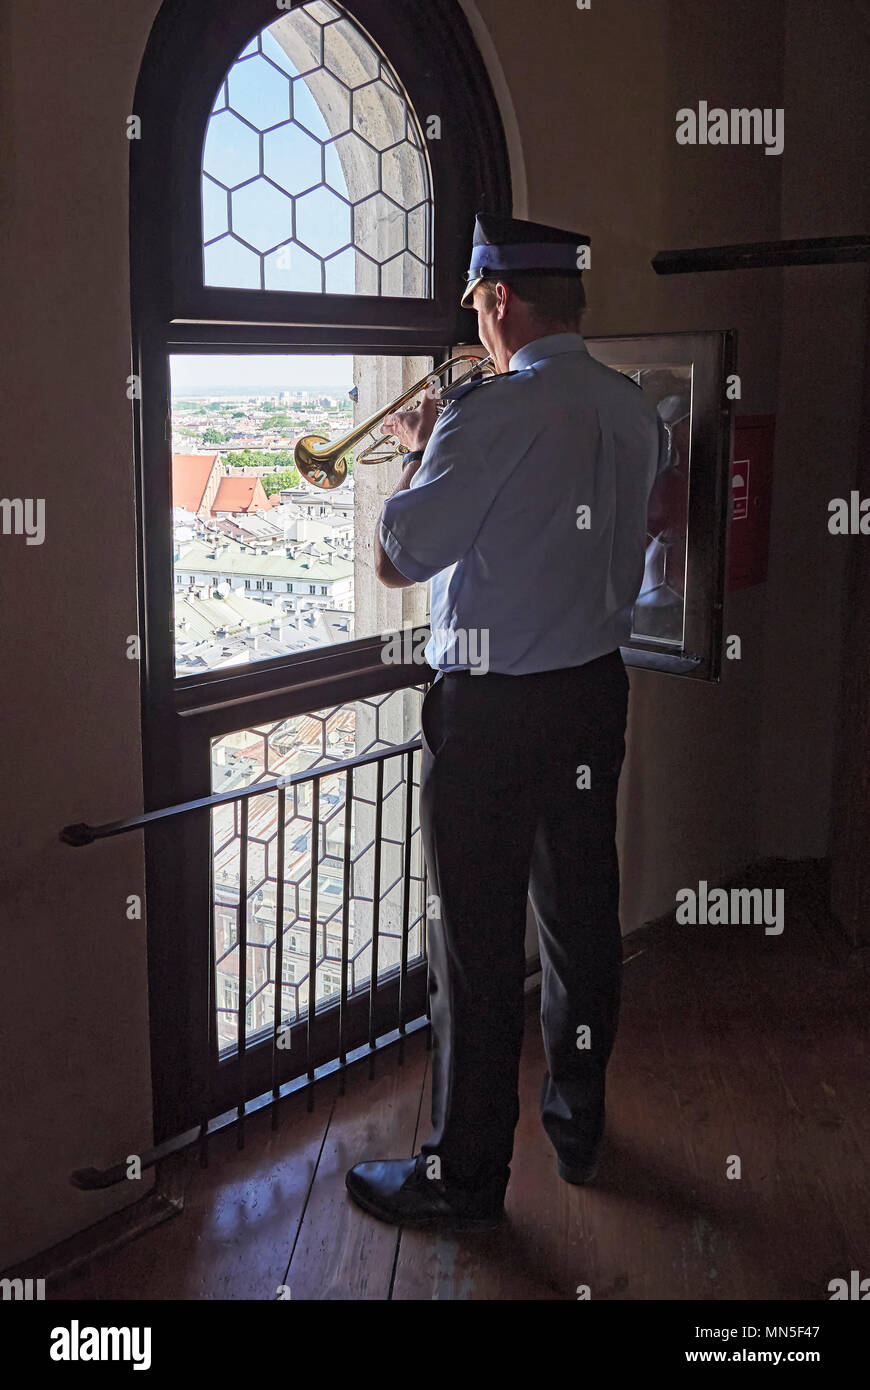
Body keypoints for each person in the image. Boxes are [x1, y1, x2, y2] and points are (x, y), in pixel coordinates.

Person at [345, 212, 665, 1229]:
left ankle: (465, 1178)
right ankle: (578, 1126)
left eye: (478, 304)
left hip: (492, 713)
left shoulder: (486, 414)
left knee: (477, 952)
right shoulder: (632, 407)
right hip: (594, 691)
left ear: (497, 300)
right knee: (580, 924)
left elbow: (398, 557)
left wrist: (423, 450)